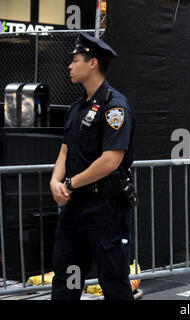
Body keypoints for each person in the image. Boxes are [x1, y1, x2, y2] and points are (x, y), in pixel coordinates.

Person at [49, 33, 136, 299]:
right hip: (74, 211)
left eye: (75, 60)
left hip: (104, 211)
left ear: (93, 63)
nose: (70, 66)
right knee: (67, 280)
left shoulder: (115, 107)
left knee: (113, 282)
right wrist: (55, 181)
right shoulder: (76, 108)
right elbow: (65, 149)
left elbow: (111, 160)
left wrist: (70, 183)